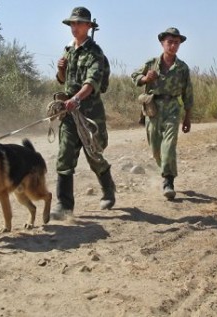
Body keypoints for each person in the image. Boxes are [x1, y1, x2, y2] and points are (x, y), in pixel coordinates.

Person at [51, 6, 116, 220]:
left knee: (94, 156)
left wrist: (76, 99)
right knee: (64, 155)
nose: (74, 27)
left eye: (79, 23)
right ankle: (64, 205)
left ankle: (108, 189)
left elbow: (92, 83)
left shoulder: (95, 53)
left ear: (89, 26)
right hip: (69, 114)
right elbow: (63, 80)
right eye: (72, 23)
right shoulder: (68, 50)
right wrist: (60, 69)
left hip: (89, 114)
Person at [131, 27, 193, 200]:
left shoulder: (182, 68)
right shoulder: (151, 63)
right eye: (169, 42)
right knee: (156, 148)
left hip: (173, 107)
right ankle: (165, 170)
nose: (173, 46)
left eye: (176, 43)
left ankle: (168, 181)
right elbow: (134, 75)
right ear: (162, 43)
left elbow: (188, 93)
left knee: (169, 144)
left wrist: (187, 117)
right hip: (153, 108)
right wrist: (145, 79)